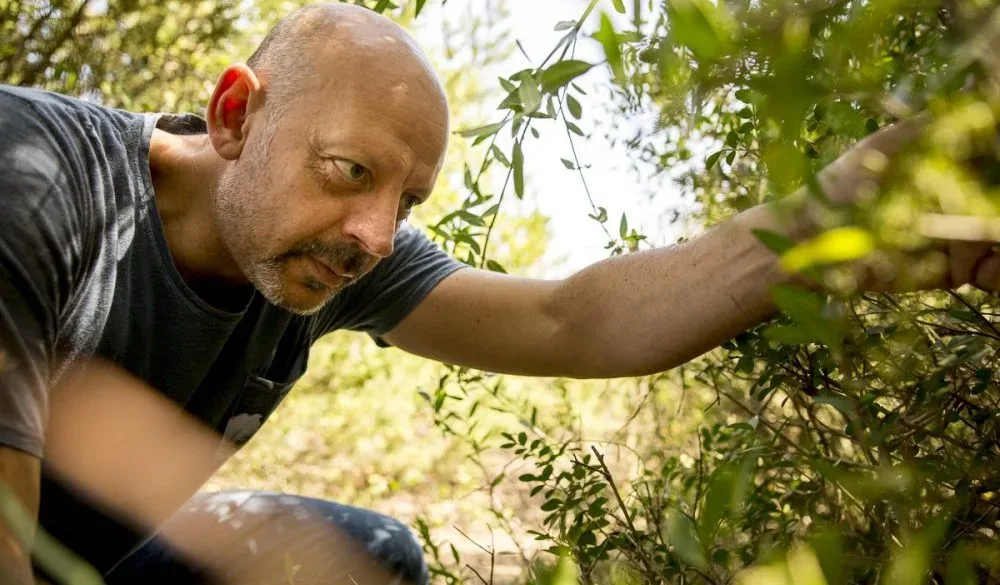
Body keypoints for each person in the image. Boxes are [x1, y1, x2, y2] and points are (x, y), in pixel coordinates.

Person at [0, 3, 997, 585]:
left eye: (407, 202)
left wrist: (824, 226)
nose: (374, 236)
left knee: (358, 556)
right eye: (351, 171)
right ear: (233, 115)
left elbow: (573, 320)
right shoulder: (30, 180)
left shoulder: (318, 245)